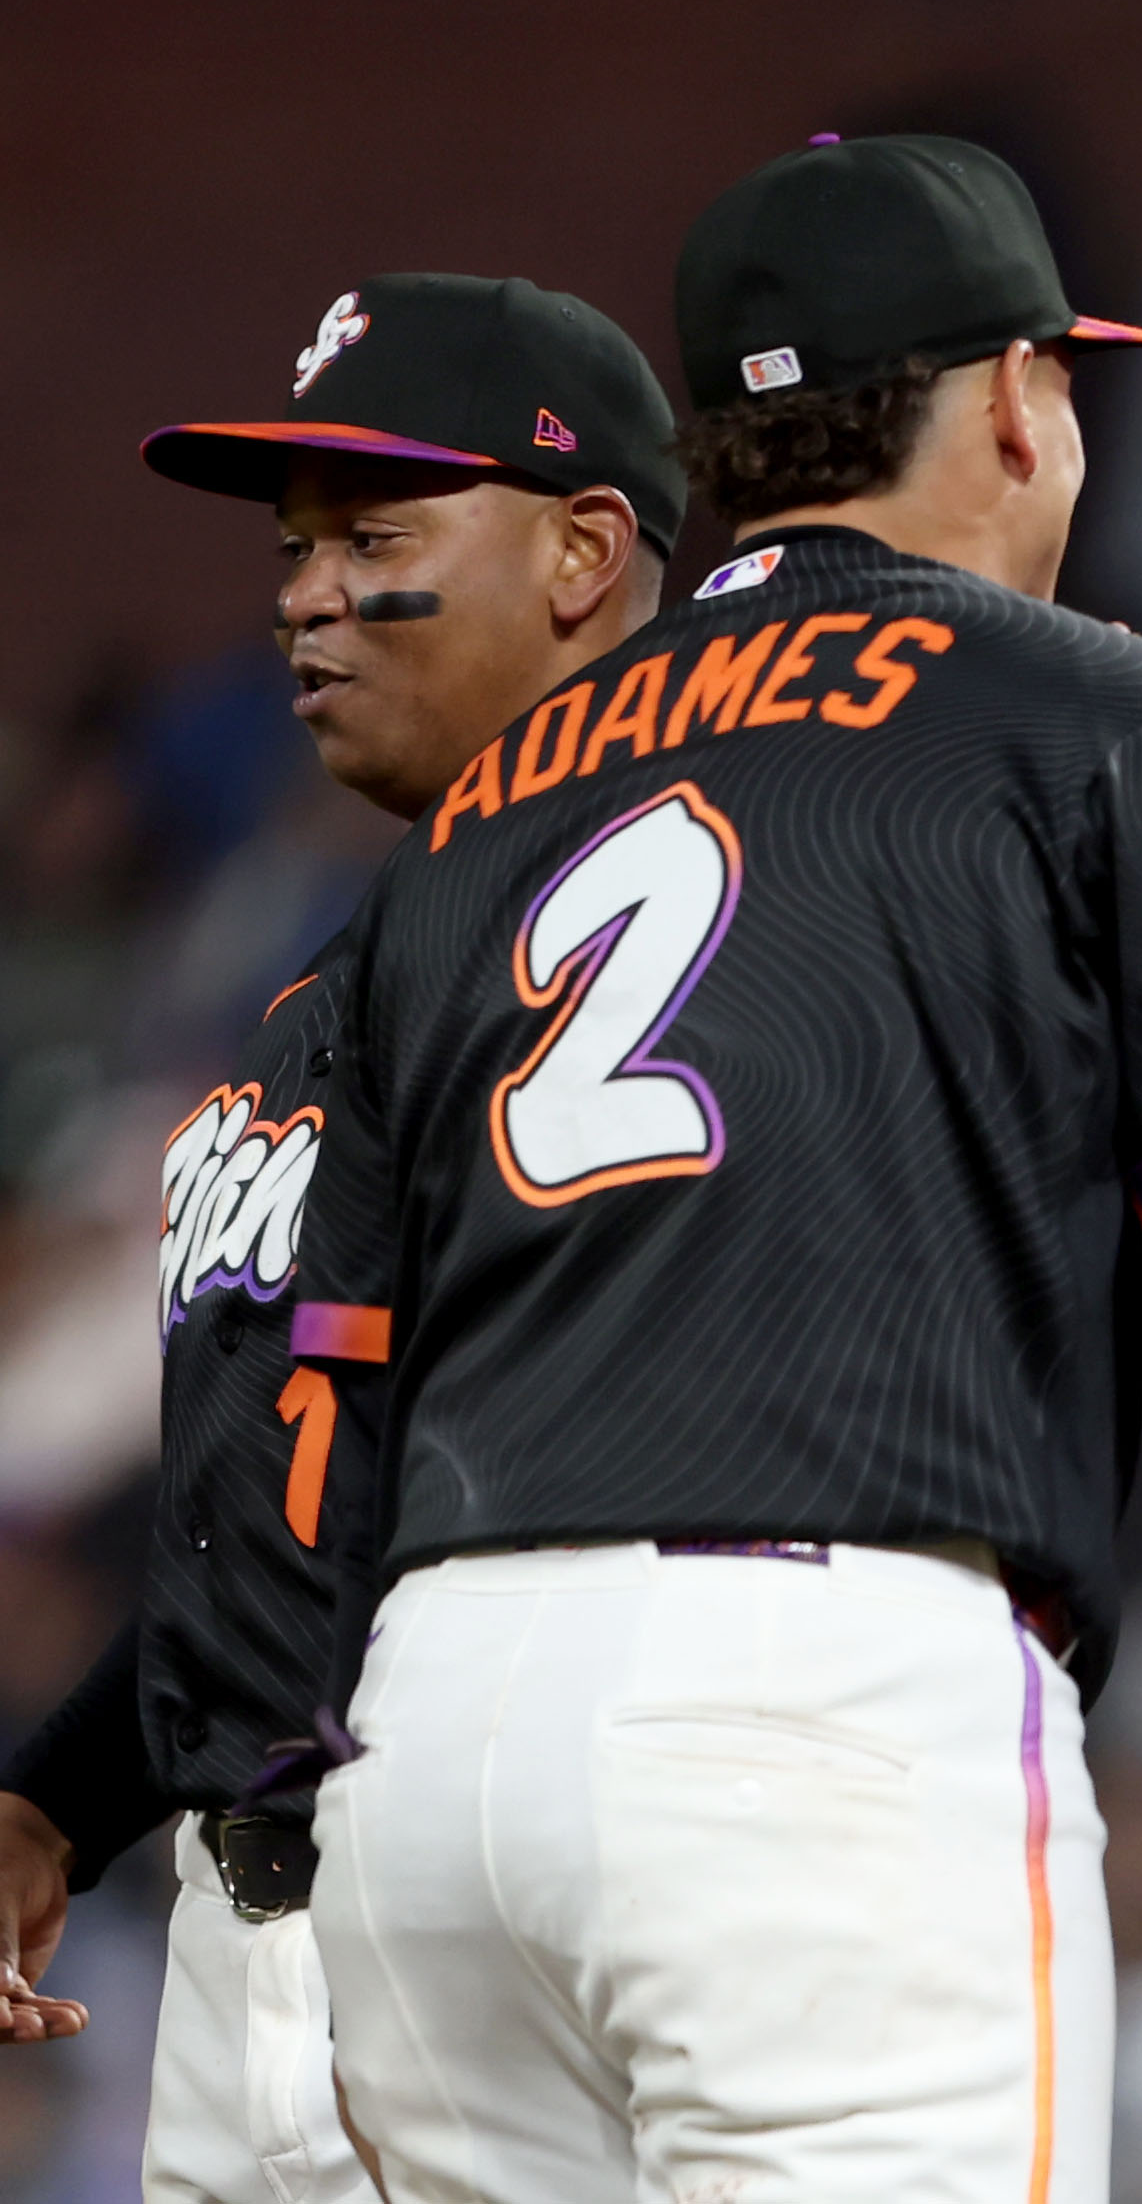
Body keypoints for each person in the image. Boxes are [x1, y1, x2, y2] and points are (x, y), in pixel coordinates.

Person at [283, 135, 1142, 2204]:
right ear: (1009, 399)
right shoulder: (1111, 716)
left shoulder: (457, 824)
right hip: (810, 1701)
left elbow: (326, 1377)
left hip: (425, 1729)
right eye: (1064, 383)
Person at [0, 271, 680, 2202]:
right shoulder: (353, 967)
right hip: (251, 1934)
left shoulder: (670, 955)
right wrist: (64, 1792)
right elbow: (309, 1501)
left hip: (503, 1908)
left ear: (580, 551)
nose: (301, 596)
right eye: (296, 549)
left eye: (374, 538)